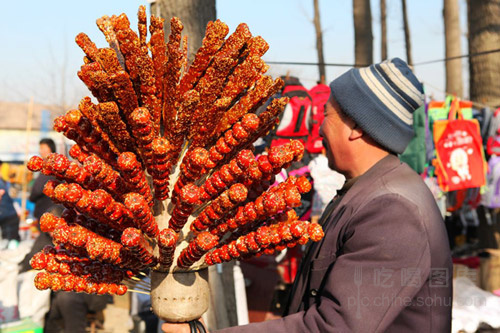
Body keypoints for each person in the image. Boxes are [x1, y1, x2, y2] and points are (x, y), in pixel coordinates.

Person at [162, 58, 452, 332]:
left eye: (326, 115)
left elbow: (333, 327)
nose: (319, 127)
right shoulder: (366, 191)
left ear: (356, 127)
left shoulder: (392, 210)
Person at [0, 160, 21, 243]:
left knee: (11, 240)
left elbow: (12, 197)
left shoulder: (5, 181)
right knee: (8, 240)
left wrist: (18, 209)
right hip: (6, 215)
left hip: (10, 215)